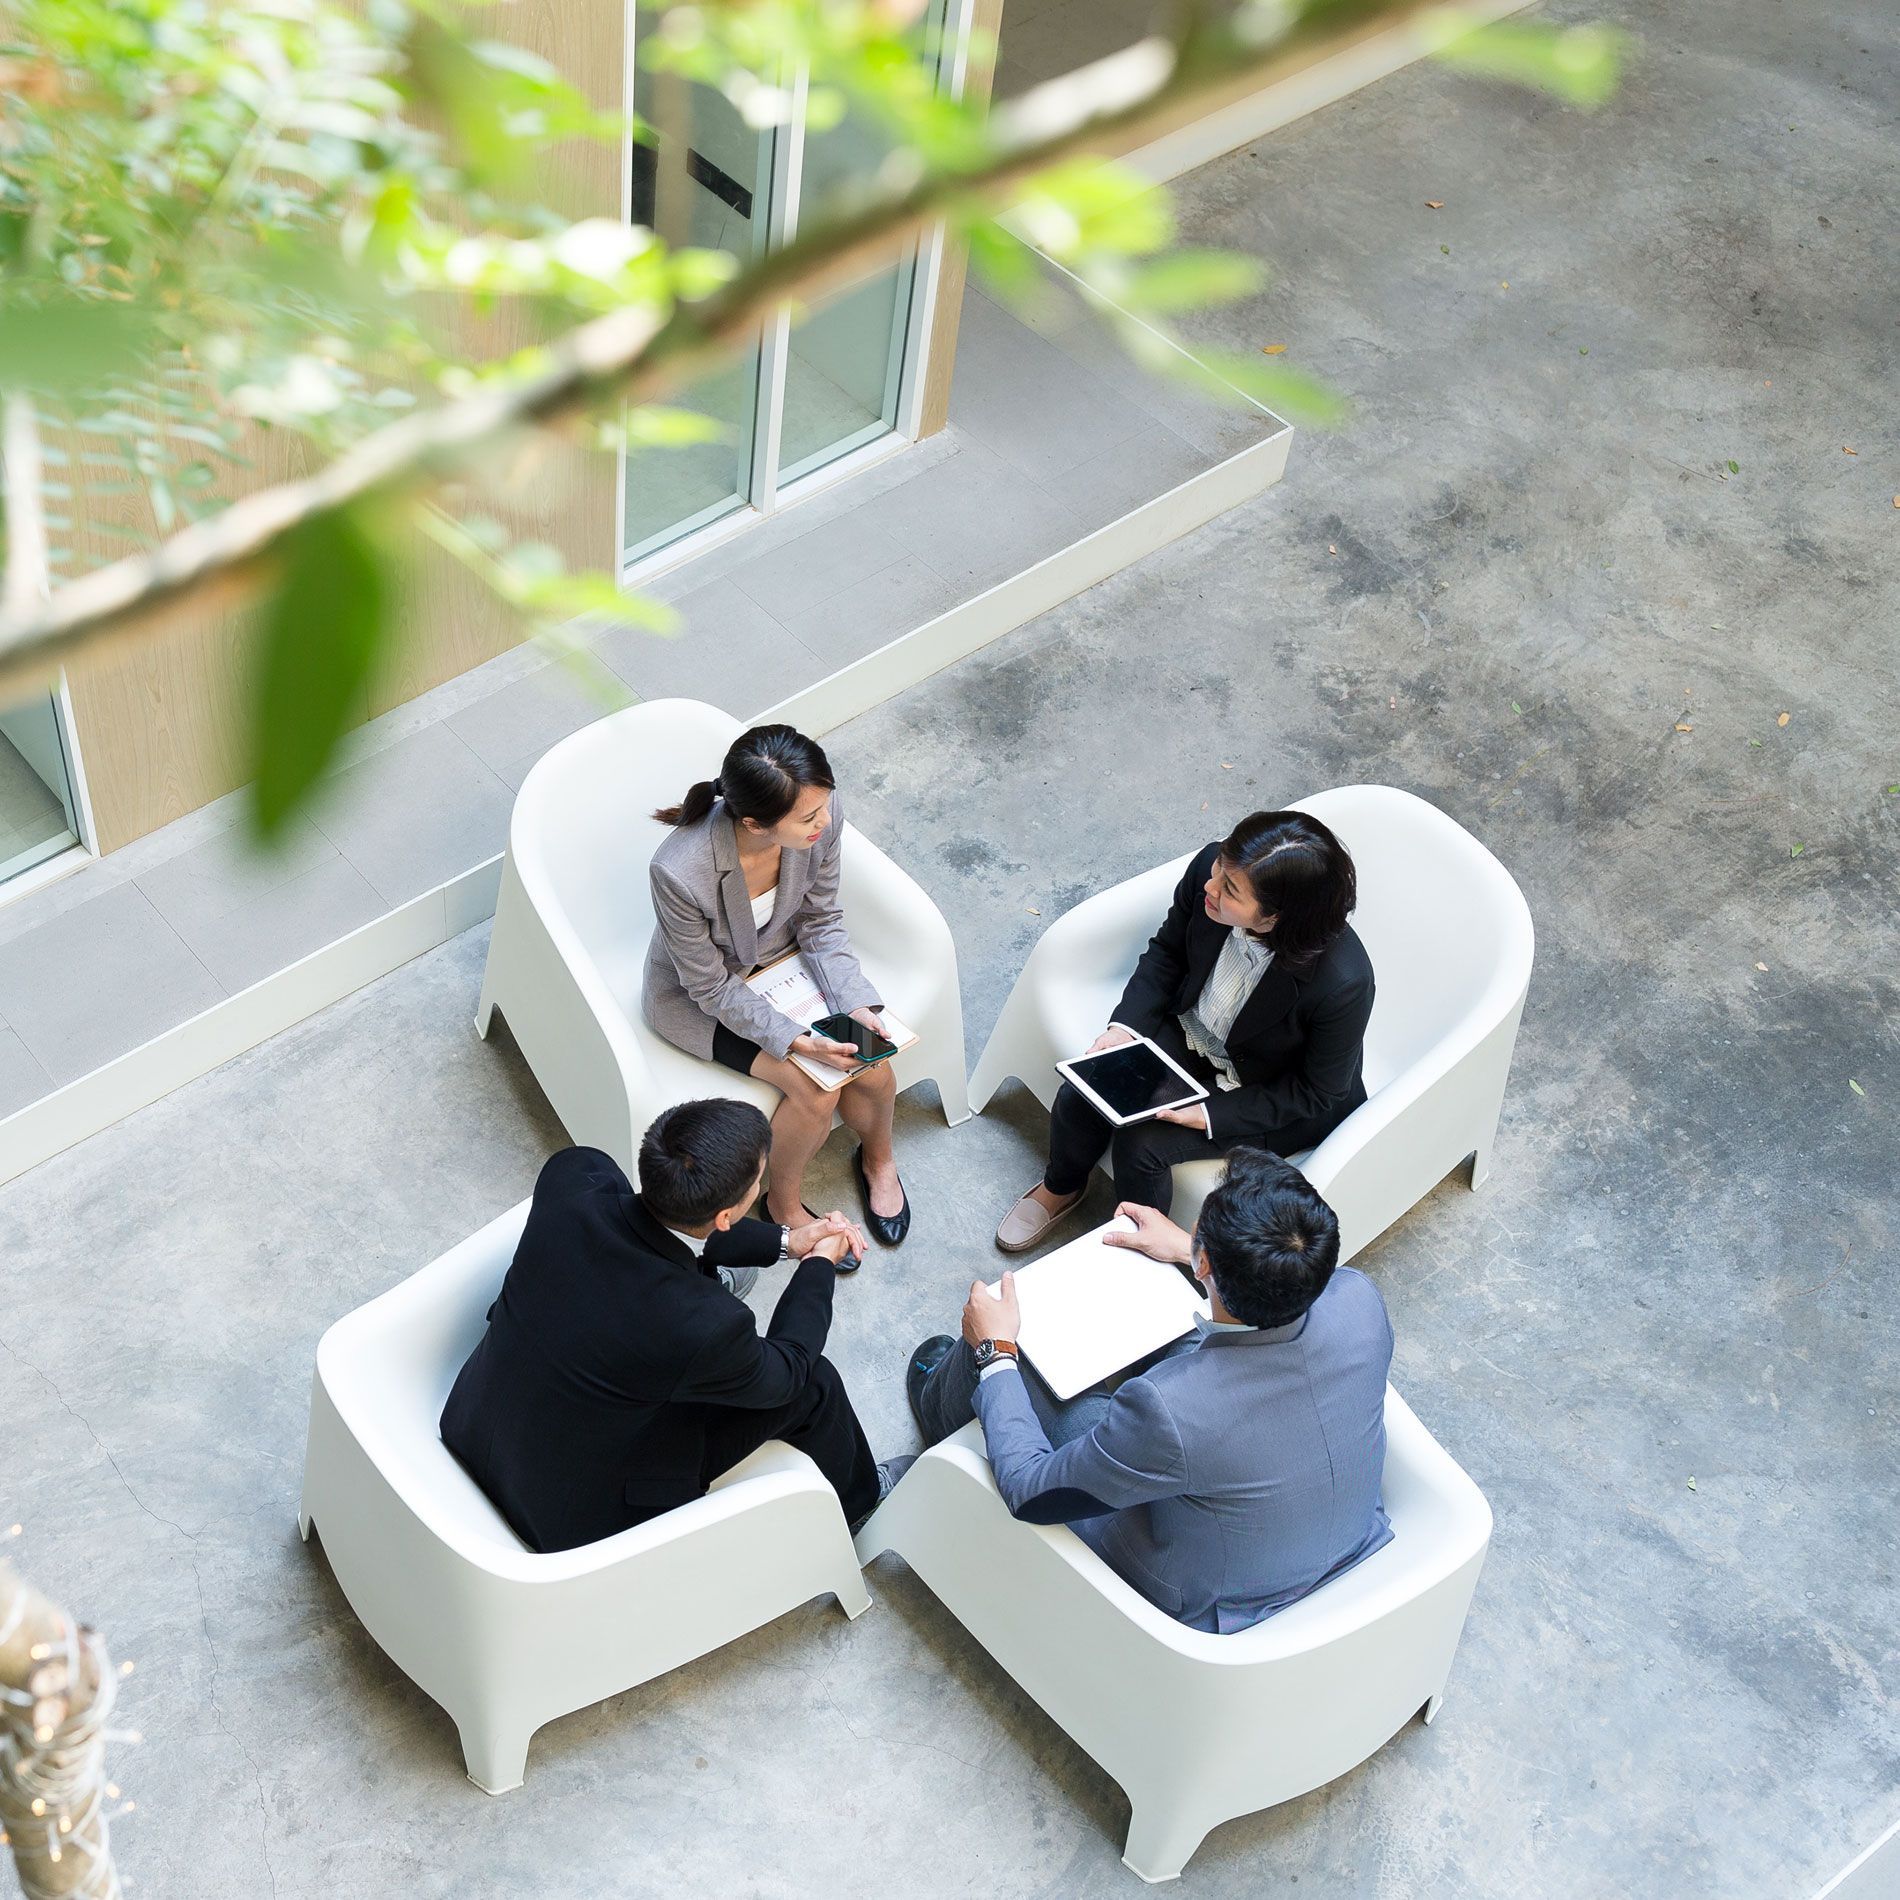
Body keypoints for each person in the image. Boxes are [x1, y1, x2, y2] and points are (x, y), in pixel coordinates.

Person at [906, 1151, 1392, 1634]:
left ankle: (940, 1405)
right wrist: (1188, 1248)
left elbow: (1030, 1492)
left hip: (1215, 1594)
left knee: (1024, 1367)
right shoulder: (1359, 1299)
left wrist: (994, 1351)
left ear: (1206, 1263)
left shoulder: (1168, 1412)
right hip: (1337, 1532)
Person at [440, 1100, 908, 1553]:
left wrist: (788, 1241)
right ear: (726, 1216)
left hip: (472, 1419)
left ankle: (709, 1275)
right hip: (564, 1512)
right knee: (815, 1386)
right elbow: (789, 1369)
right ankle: (863, 1499)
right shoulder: (708, 1326)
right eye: (758, 1183)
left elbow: (651, 1216)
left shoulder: (574, 1176)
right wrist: (818, 1265)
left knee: (688, 1298)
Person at [995, 809, 1373, 1252]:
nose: (1211, 886)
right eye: (1220, 869)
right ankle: (1062, 1187)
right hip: (1198, 1032)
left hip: (1271, 1089)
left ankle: (1143, 1252)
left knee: (1143, 1145)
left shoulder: (1343, 982)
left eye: (1230, 889)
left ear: (1277, 918)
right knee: (1088, 1090)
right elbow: (1168, 954)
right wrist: (1125, 1028)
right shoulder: (1209, 873)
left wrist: (1210, 1115)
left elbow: (1317, 1091)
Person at [645, 724, 910, 1253]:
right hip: (701, 999)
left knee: (875, 1070)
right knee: (812, 1091)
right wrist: (794, 1039)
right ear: (755, 824)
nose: (826, 822)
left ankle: (878, 1159)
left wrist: (855, 1003)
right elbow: (710, 986)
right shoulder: (679, 871)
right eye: (809, 818)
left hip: (785, 963)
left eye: (825, 807)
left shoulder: (819, 819)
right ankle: (783, 1204)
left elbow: (821, 921)